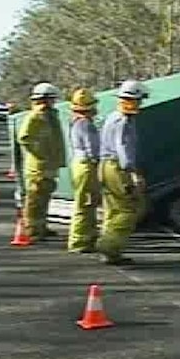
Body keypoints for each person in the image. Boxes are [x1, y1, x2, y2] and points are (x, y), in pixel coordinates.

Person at [95, 79, 148, 265]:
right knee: (130, 208)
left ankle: (111, 252)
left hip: (105, 165)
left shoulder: (112, 116)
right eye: (140, 100)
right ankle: (108, 245)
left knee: (113, 209)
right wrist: (133, 173)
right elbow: (123, 147)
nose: (140, 104)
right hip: (116, 168)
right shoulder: (124, 121)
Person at [17, 82, 66, 241]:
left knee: (44, 198)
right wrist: (40, 154)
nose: (52, 102)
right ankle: (31, 230)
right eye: (50, 99)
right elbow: (24, 138)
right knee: (34, 200)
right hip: (38, 166)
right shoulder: (35, 116)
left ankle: (41, 227)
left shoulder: (51, 116)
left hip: (49, 164)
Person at [67, 88, 101, 254]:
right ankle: (79, 241)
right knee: (85, 203)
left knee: (88, 203)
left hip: (79, 164)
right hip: (86, 166)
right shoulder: (85, 124)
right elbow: (92, 148)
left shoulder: (75, 122)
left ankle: (88, 236)